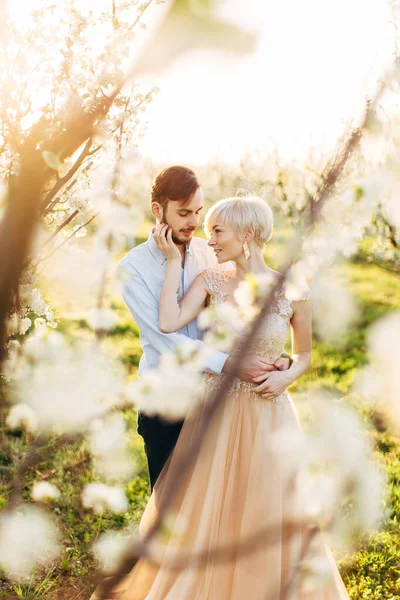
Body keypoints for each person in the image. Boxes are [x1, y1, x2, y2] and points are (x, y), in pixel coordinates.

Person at [97, 196, 350, 599]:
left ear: (247, 233)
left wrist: (288, 377)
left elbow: (304, 354)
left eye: (217, 230)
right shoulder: (211, 280)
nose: (208, 238)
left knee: (269, 506)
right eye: (208, 228)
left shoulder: (293, 287)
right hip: (213, 411)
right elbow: (166, 322)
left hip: (270, 411)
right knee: (205, 507)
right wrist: (176, 265)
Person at [119, 166, 289, 489]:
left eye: (197, 211)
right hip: (166, 402)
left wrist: (280, 357)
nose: (194, 223)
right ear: (158, 210)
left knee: (215, 507)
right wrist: (232, 364)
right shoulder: (131, 270)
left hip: (217, 402)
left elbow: (243, 308)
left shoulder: (210, 253)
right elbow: (165, 339)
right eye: (184, 213)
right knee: (169, 507)